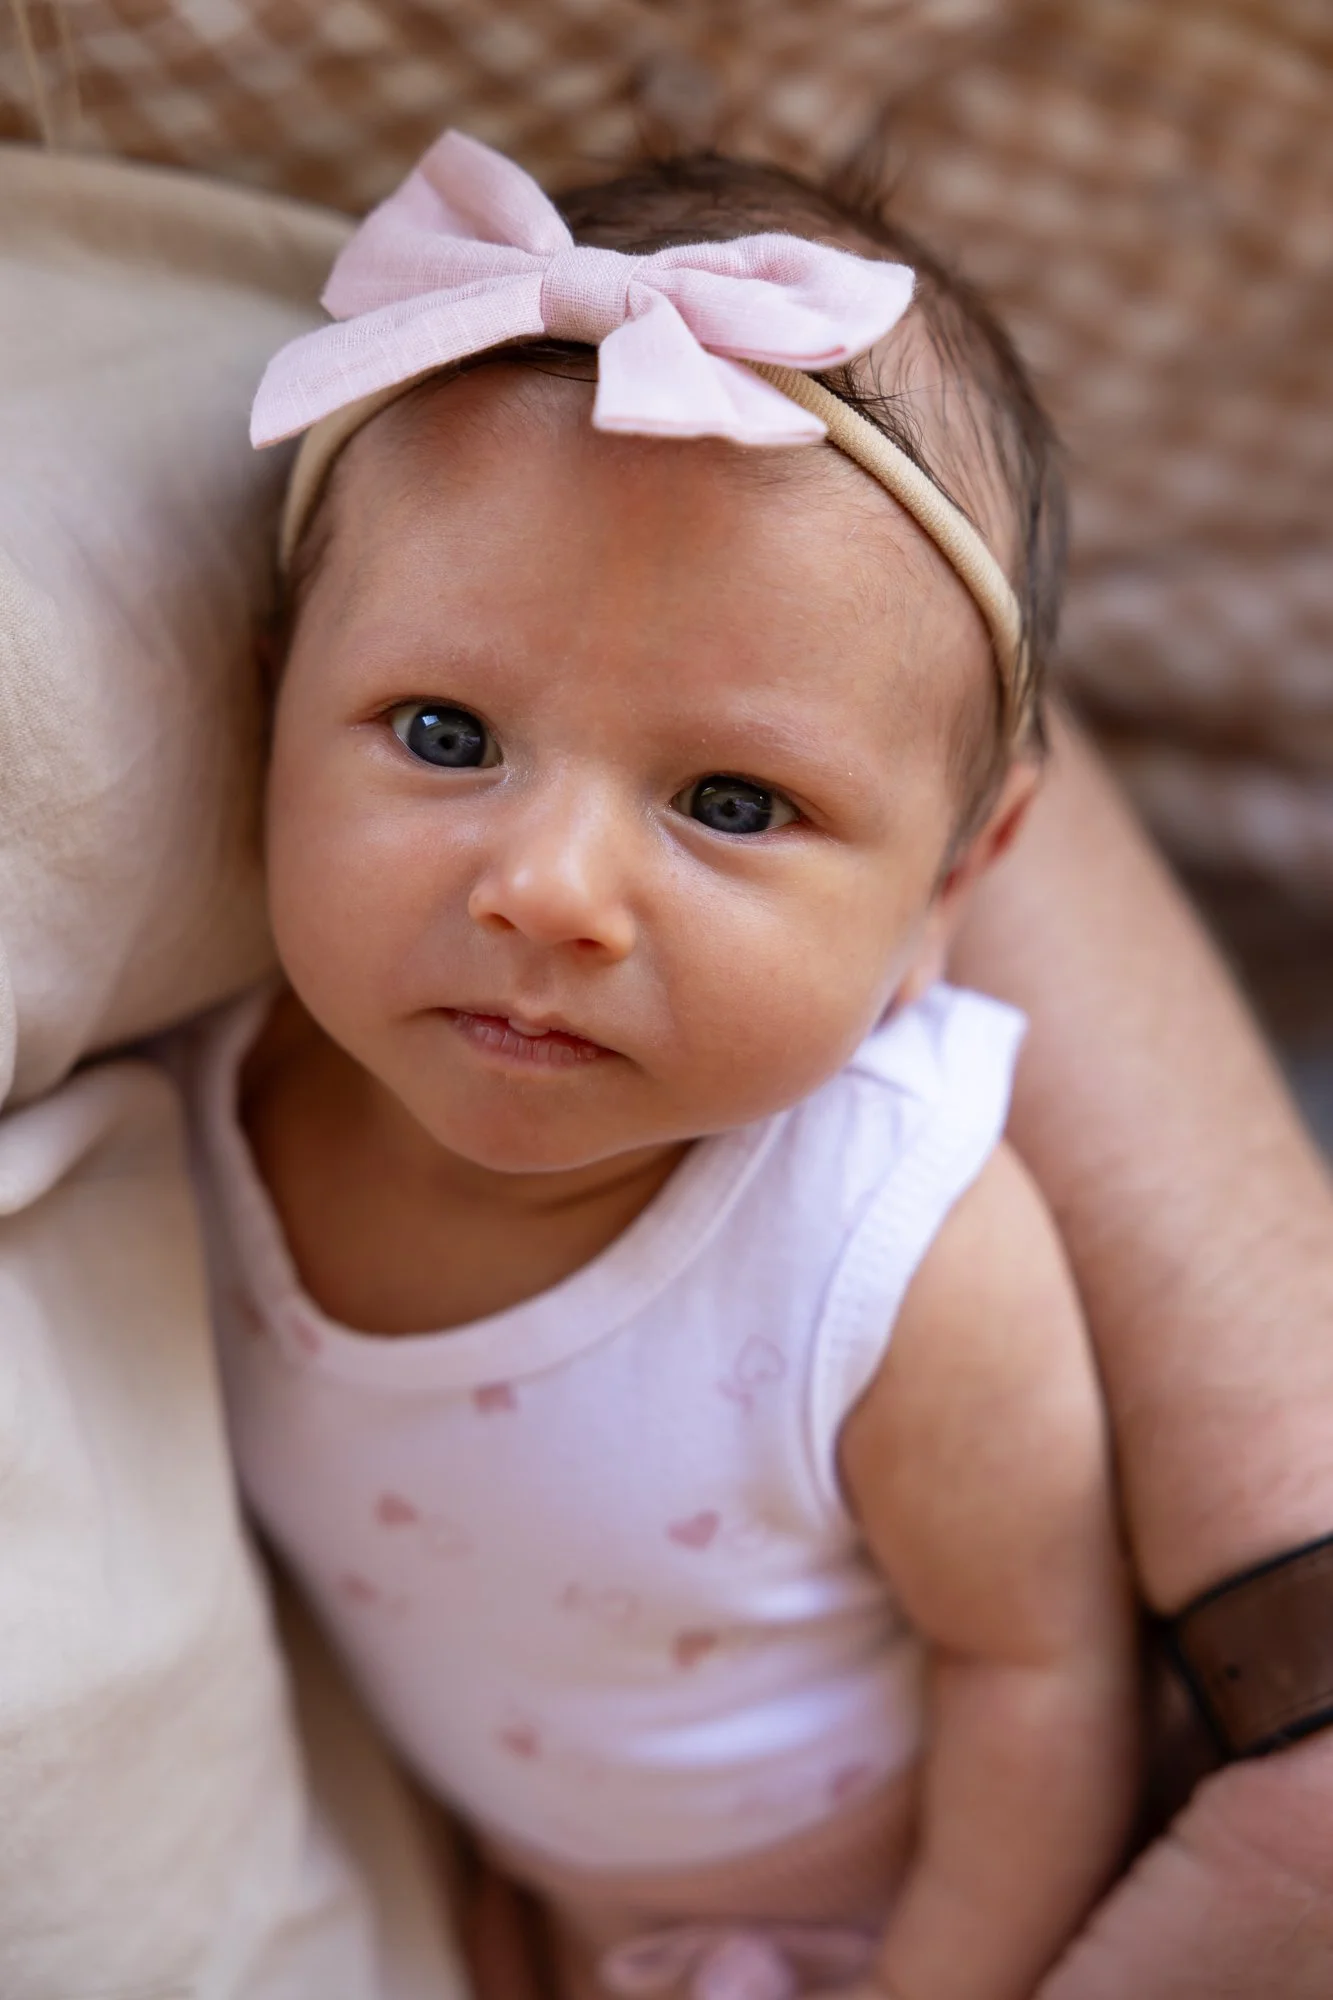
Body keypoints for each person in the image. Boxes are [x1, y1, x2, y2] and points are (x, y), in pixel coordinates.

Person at [177, 129, 1145, 2000]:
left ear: (958, 879)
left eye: (729, 800)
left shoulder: (889, 1243)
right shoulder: (215, 1103)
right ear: (270, 702)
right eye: (445, 732)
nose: (549, 893)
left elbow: (1040, 1668)